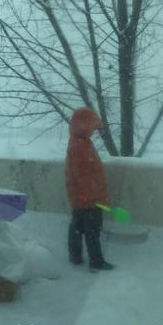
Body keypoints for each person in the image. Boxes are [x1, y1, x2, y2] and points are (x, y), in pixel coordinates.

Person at [65, 107, 115, 271]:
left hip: (80, 197)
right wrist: (96, 198)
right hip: (87, 198)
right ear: (84, 125)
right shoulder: (81, 145)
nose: (93, 131)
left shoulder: (77, 141)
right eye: (92, 127)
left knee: (78, 228)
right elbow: (84, 176)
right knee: (92, 231)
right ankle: (96, 261)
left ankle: (75, 257)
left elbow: (79, 175)